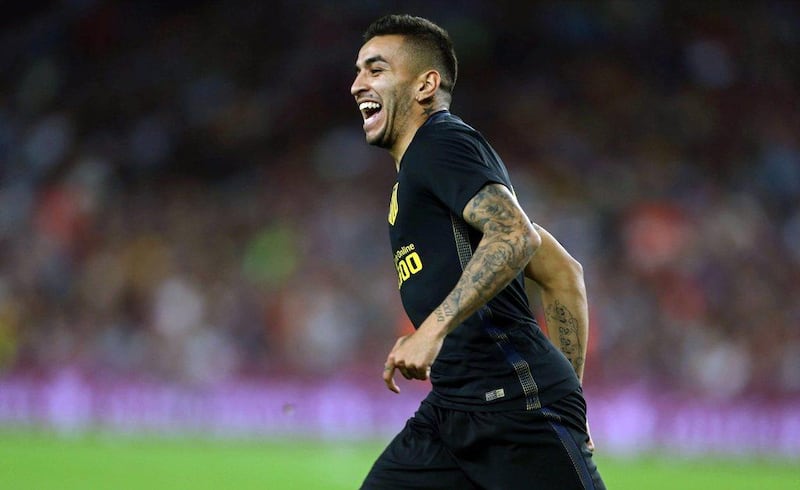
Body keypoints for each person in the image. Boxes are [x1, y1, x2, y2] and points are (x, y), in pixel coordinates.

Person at [350, 14, 605, 489]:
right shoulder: (422, 174)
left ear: (426, 84)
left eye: (376, 69)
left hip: (515, 408)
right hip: (453, 410)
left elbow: (516, 237)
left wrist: (432, 330)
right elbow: (563, 273)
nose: (357, 84)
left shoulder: (441, 142)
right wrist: (573, 396)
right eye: (359, 70)